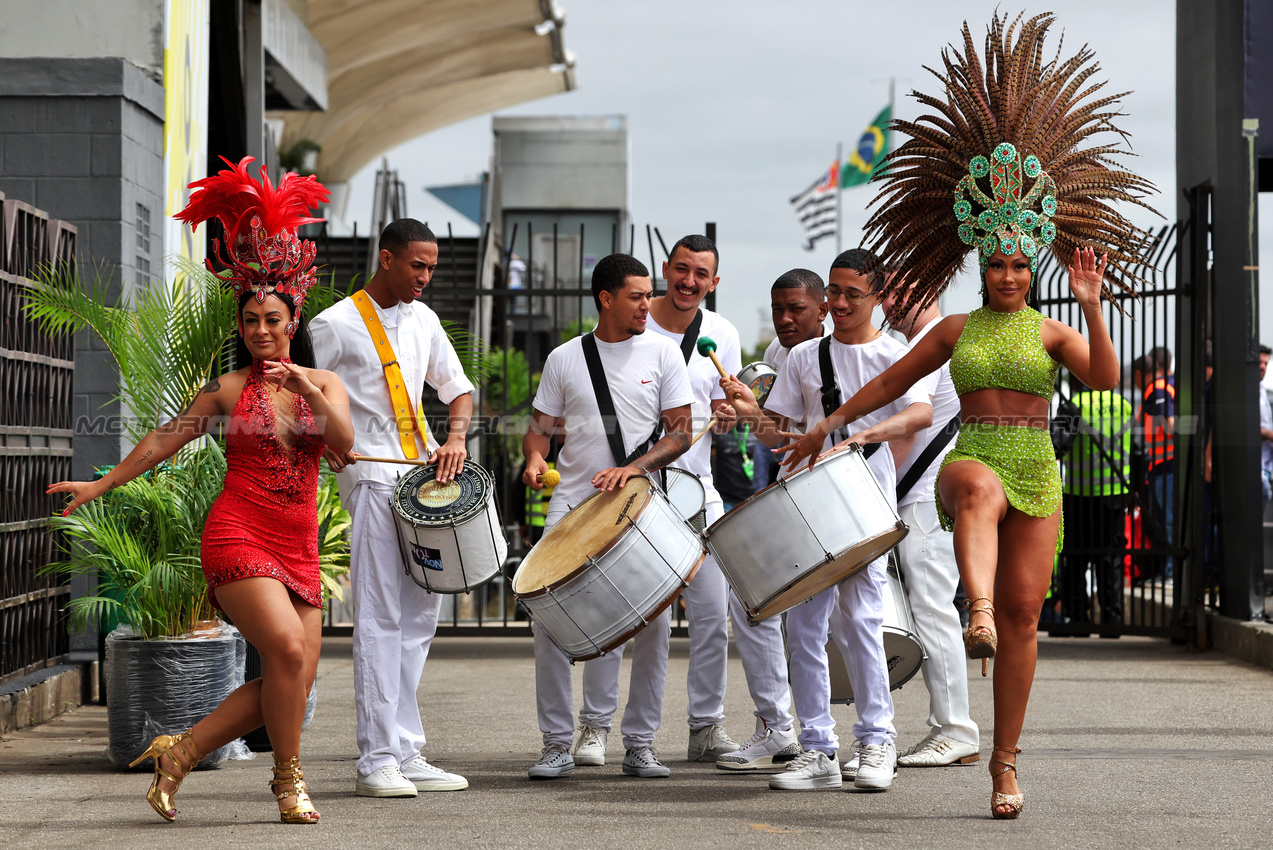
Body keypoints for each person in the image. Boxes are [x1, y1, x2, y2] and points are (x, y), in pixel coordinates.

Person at [775, 12, 1155, 818]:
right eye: (997, 264)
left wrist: (1090, 306)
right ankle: (971, 608)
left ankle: (1004, 762)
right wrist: (820, 426)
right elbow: (882, 388)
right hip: (973, 454)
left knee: (1026, 618)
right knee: (975, 491)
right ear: (979, 265)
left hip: (1038, 465)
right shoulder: (954, 330)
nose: (1010, 275)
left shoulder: (1051, 330)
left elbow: (1106, 381)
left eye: (1020, 264)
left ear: (1031, 264)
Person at [50, 157, 349, 824]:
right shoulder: (226, 392)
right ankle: (288, 785)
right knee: (290, 653)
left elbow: (346, 446)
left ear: (292, 319)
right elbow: (163, 440)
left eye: (273, 319)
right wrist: (103, 486)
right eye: (251, 321)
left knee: (295, 674)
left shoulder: (323, 387)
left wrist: (303, 390)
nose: (262, 331)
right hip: (239, 531)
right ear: (239, 328)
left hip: (299, 539)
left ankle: (177, 756)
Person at [726, 249, 934, 792]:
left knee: (861, 619)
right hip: (809, 495)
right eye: (834, 293)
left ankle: (876, 740)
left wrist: (865, 433)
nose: (840, 303)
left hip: (865, 489)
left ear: (878, 297)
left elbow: (921, 412)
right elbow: (785, 435)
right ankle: (818, 748)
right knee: (803, 624)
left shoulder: (894, 352)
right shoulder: (804, 358)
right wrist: (753, 417)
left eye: (852, 295)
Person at [309, 218, 475, 798]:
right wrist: (321, 440)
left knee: (421, 620)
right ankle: (375, 758)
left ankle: (405, 749)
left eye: (432, 267)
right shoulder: (333, 323)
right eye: (418, 266)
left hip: (424, 484)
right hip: (372, 480)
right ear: (387, 258)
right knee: (380, 618)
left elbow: (459, 389)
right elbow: (297, 392)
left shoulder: (425, 319)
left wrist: (454, 438)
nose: (427, 277)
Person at [521, 253, 693, 780]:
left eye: (648, 295)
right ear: (606, 299)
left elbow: (681, 433)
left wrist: (633, 468)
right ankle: (556, 742)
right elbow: (539, 428)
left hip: (640, 509)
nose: (649, 304)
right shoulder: (564, 358)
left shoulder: (664, 353)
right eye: (638, 296)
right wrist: (533, 458)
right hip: (571, 508)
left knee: (653, 626)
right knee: (549, 625)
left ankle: (639, 742)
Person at [878, 279, 981, 768]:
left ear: (932, 288)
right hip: (930, 499)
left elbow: (913, 422)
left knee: (933, 614)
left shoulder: (929, 342)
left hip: (923, 501)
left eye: (901, 291)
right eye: (887, 292)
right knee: (932, 612)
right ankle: (950, 726)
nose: (890, 302)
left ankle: (955, 729)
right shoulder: (943, 337)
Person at [1056, 374, 1132, 628]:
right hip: (1116, 494)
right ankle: (1113, 620)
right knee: (1110, 558)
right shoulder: (1123, 403)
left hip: (1080, 494)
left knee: (1076, 559)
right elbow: (1137, 447)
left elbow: (1056, 444)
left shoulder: (1075, 405)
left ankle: (1078, 617)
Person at [748, 269, 829, 490]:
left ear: (822, 311)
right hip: (793, 476)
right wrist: (746, 411)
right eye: (777, 310)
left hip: (835, 473)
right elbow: (776, 432)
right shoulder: (776, 350)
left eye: (796, 309)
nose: (784, 319)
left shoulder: (838, 354)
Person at [1132, 348, 1176, 582]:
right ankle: (1167, 571)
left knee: (1168, 521)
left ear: (1140, 374)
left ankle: (1170, 573)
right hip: (1163, 465)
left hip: (1165, 465)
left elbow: (1169, 426)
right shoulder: (1169, 385)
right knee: (1165, 521)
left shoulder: (1156, 389)